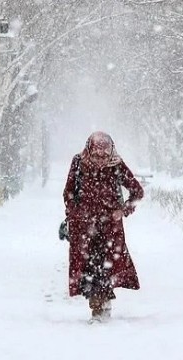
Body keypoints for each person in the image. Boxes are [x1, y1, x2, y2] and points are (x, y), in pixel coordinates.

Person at [62, 131, 144, 323]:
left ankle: (101, 309)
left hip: (110, 229)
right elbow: (68, 193)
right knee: (89, 269)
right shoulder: (78, 162)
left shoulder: (116, 165)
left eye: (104, 156)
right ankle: (98, 307)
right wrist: (75, 213)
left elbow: (137, 191)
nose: (100, 160)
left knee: (105, 268)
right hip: (84, 228)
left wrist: (123, 210)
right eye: (97, 155)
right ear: (89, 150)